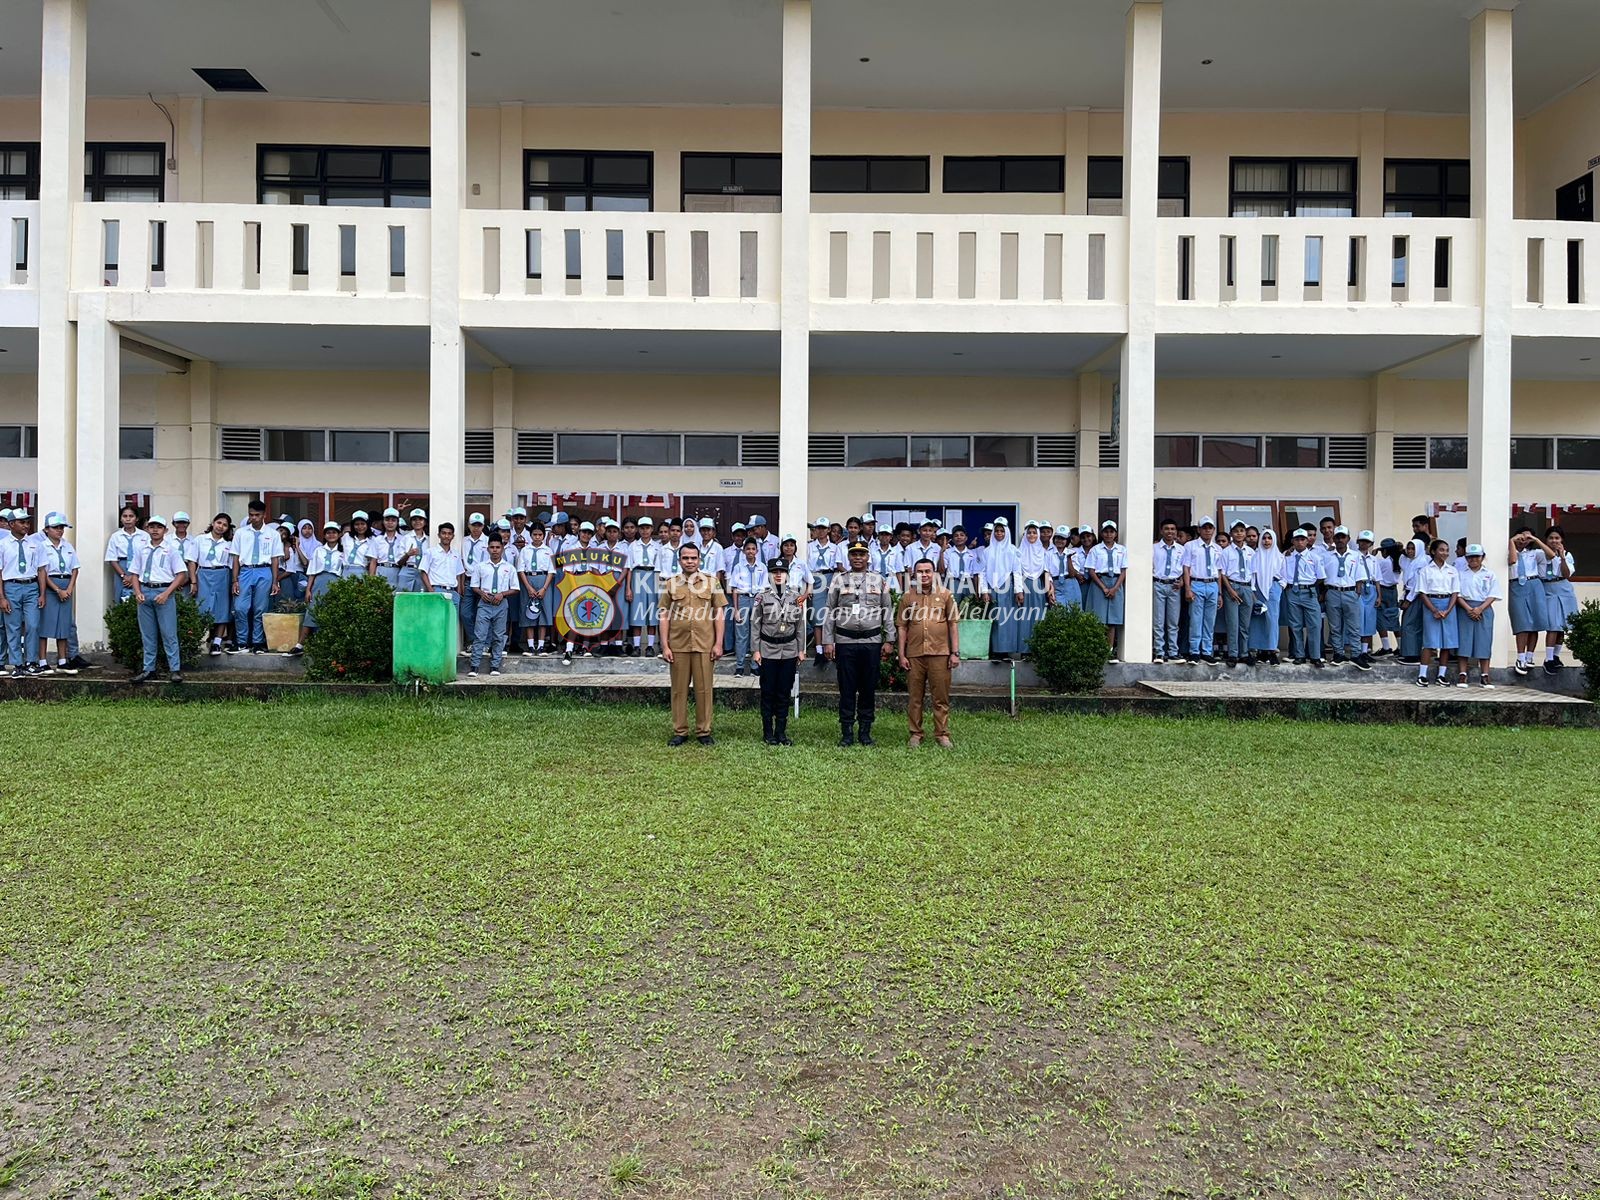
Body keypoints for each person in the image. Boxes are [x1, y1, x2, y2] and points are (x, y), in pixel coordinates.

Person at [818, 541, 894, 747]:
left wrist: (890, 639)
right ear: (849, 558)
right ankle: (847, 732)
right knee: (847, 688)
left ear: (868, 557)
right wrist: (827, 641)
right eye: (854, 555)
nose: (858, 558)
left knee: (868, 688)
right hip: (845, 641)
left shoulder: (879, 580)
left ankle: (865, 732)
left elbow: (887, 610)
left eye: (862, 554)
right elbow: (829, 611)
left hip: (871, 642)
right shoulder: (838, 580)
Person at [659, 543, 726, 746]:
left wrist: (718, 644)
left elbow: (719, 614)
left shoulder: (712, 582)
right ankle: (680, 730)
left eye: (693, 558)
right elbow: (663, 615)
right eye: (686, 558)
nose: (690, 561)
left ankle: (703, 731)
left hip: (705, 643)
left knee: (704, 689)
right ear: (679, 560)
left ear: (699, 560)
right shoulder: (671, 584)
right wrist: (665, 646)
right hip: (678, 644)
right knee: (678, 690)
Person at [897, 558, 961, 748]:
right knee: (915, 697)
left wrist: (955, 652)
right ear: (914, 575)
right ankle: (916, 733)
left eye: (928, 571)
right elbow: (902, 627)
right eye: (920, 571)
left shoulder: (946, 595)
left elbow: (953, 624)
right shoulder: (907, 598)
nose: (924, 575)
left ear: (934, 574)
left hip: (940, 653)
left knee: (940, 697)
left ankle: (942, 734)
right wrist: (901, 654)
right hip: (915, 654)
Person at [127, 515, 189, 685]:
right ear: (147, 529)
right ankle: (149, 669)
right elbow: (134, 573)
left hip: (163, 591)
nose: (155, 530)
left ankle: (174, 669)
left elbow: (181, 574)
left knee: (169, 633)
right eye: (152, 526)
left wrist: (167, 593)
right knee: (148, 635)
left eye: (159, 527)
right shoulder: (141, 549)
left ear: (165, 530)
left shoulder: (170, 550)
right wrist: (137, 591)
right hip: (145, 590)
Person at [751, 558, 805, 745]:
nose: (778, 575)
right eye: (775, 572)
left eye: (782, 571)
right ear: (769, 575)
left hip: (789, 650)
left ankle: (781, 732)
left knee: (784, 692)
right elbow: (755, 625)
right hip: (767, 650)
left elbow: (800, 625)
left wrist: (801, 649)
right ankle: (768, 733)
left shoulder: (795, 596)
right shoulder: (762, 597)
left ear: (787, 575)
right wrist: (755, 650)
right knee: (768, 691)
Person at [230, 500, 282, 654]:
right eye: (251, 515)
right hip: (245, 571)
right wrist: (235, 580)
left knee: (260, 608)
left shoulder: (272, 534)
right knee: (240, 608)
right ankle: (241, 642)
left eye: (257, 515)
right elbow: (235, 558)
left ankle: (257, 642)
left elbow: (275, 559)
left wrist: (275, 581)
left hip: (264, 570)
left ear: (264, 515)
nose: (254, 518)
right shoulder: (241, 533)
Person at [34, 512, 79, 675]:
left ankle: (62, 660)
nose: (59, 531)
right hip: (50, 585)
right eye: (55, 527)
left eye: (61, 527)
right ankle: (43, 661)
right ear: (46, 529)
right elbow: (43, 571)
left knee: (63, 625)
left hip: (65, 584)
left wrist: (69, 588)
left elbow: (75, 569)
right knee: (45, 624)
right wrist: (57, 590)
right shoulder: (42, 546)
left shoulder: (67, 546)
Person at [1411, 538, 1459, 687]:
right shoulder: (1426, 570)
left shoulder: (1452, 570)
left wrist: (1448, 610)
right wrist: (1434, 610)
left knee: (1446, 642)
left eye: (1446, 550)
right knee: (1429, 641)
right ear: (1433, 551)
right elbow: (1422, 592)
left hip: (1448, 605)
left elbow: (1455, 592)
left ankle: (1441, 675)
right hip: (1431, 604)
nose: (1445, 553)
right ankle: (1422, 675)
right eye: (1441, 550)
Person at [1324, 525, 1373, 670]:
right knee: (1335, 626)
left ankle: (1356, 655)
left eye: (1342, 537)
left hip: (1350, 592)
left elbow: (1360, 576)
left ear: (1348, 539)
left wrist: (1356, 591)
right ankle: (1338, 653)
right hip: (1332, 591)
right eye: (1337, 537)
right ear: (1333, 539)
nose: (1340, 540)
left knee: (1354, 626)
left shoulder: (1356, 556)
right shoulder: (1327, 556)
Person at [0, 510, 43, 678]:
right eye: (22, 522)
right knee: (13, 627)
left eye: (27, 522)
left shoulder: (34, 544)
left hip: (31, 586)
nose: (26, 525)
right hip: (12, 586)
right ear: (11, 524)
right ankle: (17, 664)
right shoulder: (3, 544)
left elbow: (41, 570)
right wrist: (2, 597)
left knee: (32, 625)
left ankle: (31, 662)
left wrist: (42, 593)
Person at [467, 535, 516, 678]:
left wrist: (503, 594)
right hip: (484, 604)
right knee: (480, 635)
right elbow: (474, 585)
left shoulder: (509, 567)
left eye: (498, 547)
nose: (495, 550)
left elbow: (515, 588)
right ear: (488, 548)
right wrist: (482, 593)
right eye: (492, 547)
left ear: (502, 549)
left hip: (501, 604)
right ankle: (474, 666)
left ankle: (495, 665)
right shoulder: (480, 566)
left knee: (498, 636)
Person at [1506, 526, 1552, 676]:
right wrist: (1512, 541)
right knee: (1522, 622)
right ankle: (1520, 657)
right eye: (1521, 537)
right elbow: (1512, 561)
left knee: (1536, 622)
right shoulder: (1509, 551)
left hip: (1534, 584)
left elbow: (1551, 555)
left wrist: (1536, 539)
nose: (1523, 540)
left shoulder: (1535, 553)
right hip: (1516, 585)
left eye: (1526, 538)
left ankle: (1529, 656)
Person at [1454, 543, 1499, 688]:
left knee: (1484, 641)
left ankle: (1485, 675)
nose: (1473, 559)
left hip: (1484, 608)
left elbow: (1493, 594)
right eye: (1470, 557)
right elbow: (1457, 594)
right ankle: (1462, 674)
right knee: (1464, 641)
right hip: (1464, 608)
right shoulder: (1460, 573)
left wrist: (1480, 609)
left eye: (1476, 556)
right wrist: (1469, 609)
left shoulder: (1490, 574)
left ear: (1482, 557)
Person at [1280, 528, 1326, 666]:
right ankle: (1299, 655)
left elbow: (1320, 577)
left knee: (1314, 625)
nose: (1300, 542)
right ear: (1293, 541)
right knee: (1295, 625)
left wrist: (1308, 586)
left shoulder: (1315, 557)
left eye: (1302, 539)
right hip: (1292, 592)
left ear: (1307, 541)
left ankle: (1315, 656)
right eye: (1297, 539)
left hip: (1309, 592)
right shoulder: (1286, 556)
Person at [1084, 520, 1127, 660]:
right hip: (1099, 582)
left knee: (1112, 620)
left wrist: (1115, 588)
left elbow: (1123, 570)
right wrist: (1103, 587)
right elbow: (1091, 570)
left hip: (1116, 582)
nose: (1109, 534)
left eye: (1111, 532)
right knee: (1099, 618)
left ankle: (1109, 651)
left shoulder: (1121, 549)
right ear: (1102, 533)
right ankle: (1097, 650)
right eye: (1106, 532)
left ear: (1115, 534)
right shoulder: (1095, 550)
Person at [1181, 518, 1222, 664]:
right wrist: (1188, 588)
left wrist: (1219, 593)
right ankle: (1194, 651)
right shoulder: (1190, 546)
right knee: (1196, 619)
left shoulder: (1217, 548)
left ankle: (1206, 650)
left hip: (1212, 584)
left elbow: (1219, 572)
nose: (1207, 530)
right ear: (1199, 530)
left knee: (1209, 621)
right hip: (1197, 583)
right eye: (1204, 528)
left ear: (1213, 530)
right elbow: (1186, 568)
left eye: (1210, 528)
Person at [1538, 526, 1578, 674]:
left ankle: (1555, 656)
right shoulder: (1540, 554)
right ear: (1546, 540)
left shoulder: (1567, 555)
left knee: (1563, 626)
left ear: (1562, 540)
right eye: (1551, 538)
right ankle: (1548, 659)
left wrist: (1562, 557)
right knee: (1553, 625)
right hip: (1548, 589)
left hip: (1564, 589)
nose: (1554, 541)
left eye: (1557, 538)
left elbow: (1567, 574)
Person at [981, 518, 1022, 662]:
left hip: (1007, 586)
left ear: (1007, 533)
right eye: (996, 531)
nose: (999, 534)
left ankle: (1005, 651)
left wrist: (1019, 591)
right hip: (992, 587)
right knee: (994, 619)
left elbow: (1017, 572)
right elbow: (983, 572)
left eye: (1002, 531)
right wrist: (984, 590)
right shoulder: (987, 551)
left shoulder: (1013, 550)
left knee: (1007, 618)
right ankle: (995, 651)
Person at [194, 514, 234, 655]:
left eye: (224, 525)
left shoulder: (228, 544)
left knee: (222, 608)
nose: (220, 526)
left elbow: (231, 565)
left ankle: (217, 642)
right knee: (202, 607)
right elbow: (192, 561)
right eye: (219, 522)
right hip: (204, 574)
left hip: (222, 574)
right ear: (213, 522)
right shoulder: (200, 539)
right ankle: (195, 640)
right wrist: (193, 580)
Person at [1218, 520, 1256, 666]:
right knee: (1232, 623)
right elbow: (1223, 574)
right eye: (1236, 531)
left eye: (1241, 530)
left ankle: (1244, 653)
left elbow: (1253, 573)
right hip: (1232, 586)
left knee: (1245, 624)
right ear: (1231, 534)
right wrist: (1230, 590)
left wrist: (1252, 592)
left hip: (1246, 588)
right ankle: (1233, 654)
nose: (1239, 533)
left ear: (1245, 533)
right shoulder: (1226, 552)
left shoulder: (1251, 552)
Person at [301, 521, 345, 648]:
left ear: (339, 534)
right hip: (319, 582)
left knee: (331, 611)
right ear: (324, 535)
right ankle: (301, 643)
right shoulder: (318, 550)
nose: (331, 535)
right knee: (313, 610)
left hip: (335, 581)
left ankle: (327, 643)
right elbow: (312, 571)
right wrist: (308, 590)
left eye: (334, 532)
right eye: (328, 533)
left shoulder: (342, 551)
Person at [727, 537, 767, 676]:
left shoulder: (762, 567)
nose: (750, 551)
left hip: (757, 599)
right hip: (743, 599)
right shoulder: (738, 567)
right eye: (748, 549)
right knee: (741, 634)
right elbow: (735, 590)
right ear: (744, 551)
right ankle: (740, 666)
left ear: (756, 551)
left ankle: (755, 666)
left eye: (753, 549)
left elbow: (765, 588)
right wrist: (736, 610)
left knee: (755, 634)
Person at [1248, 528, 1285, 665]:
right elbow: (1252, 574)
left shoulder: (1279, 557)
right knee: (1257, 620)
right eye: (1264, 538)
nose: (1266, 541)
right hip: (1257, 589)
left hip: (1273, 589)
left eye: (1269, 538)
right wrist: (1253, 590)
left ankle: (1271, 651)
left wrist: (1279, 587)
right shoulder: (1255, 556)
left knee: (1272, 621)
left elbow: (1284, 576)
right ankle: (1258, 651)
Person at [517, 523, 556, 654]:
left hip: (543, 580)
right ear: (530, 535)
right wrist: (528, 587)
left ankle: (540, 645)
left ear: (544, 536)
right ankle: (530, 645)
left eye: (540, 535)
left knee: (543, 612)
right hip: (528, 580)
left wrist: (544, 588)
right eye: (535, 534)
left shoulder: (548, 551)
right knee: (528, 610)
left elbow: (551, 570)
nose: (537, 537)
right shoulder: (525, 550)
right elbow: (521, 570)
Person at [1015, 520, 1051, 655]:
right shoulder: (1019, 551)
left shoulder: (1043, 551)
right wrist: (1019, 590)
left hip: (1038, 586)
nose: (1031, 535)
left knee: (1038, 617)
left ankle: (1037, 650)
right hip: (1024, 585)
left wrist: (1048, 590)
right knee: (1024, 617)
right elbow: (1017, 572)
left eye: (1034, 533)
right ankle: (1024, 651)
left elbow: (1047, 571)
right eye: (1029, 533)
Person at [626, 516, 660, 656]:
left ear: (652, 529)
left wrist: (658, 587)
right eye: (642, 528)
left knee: (652, 612)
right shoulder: (633, 546)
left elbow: (658, 568)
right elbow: (629, 568)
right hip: (637, 575)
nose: (645, 531)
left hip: (652, 575)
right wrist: (628, 587)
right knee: (637, 612)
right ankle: (636, 646)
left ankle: (650, 646)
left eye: (647, 528)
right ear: (638, 530)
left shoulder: (658, 547)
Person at [420, 521, 465, 617]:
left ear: (453, 536)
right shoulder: (430, 552)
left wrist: (459, 592)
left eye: (449, 534)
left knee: (452, 623)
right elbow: (423, 572)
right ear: (439, 535)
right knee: (437, 621)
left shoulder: (456, 554)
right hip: (437, 591)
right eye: (444, 533)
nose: (446, 536)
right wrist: (430, 590)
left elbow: (459, 574)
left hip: (453, 593)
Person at [104, 505, 147, 604]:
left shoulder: (144, 536)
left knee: (140, 597)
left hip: (140, 569)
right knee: (120, 598)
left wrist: (134, 576)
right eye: (125, 516)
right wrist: (124, 576)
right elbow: (112, 559)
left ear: (136, 519)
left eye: (131, 516)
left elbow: (147, 556)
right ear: (121, 519)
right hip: (121, 568)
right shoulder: (115, 536)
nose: (128, 519)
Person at [1372, 537, 1403, 656]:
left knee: (1380, 618)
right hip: (1393, 591)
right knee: (1394, 618)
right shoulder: (1398, 561)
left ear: (1385, 551)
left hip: (1383, 590)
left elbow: (1373, 570)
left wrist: (1373, 555)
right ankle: (1400, 646)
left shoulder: (1383, 562)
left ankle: (1386, 647)